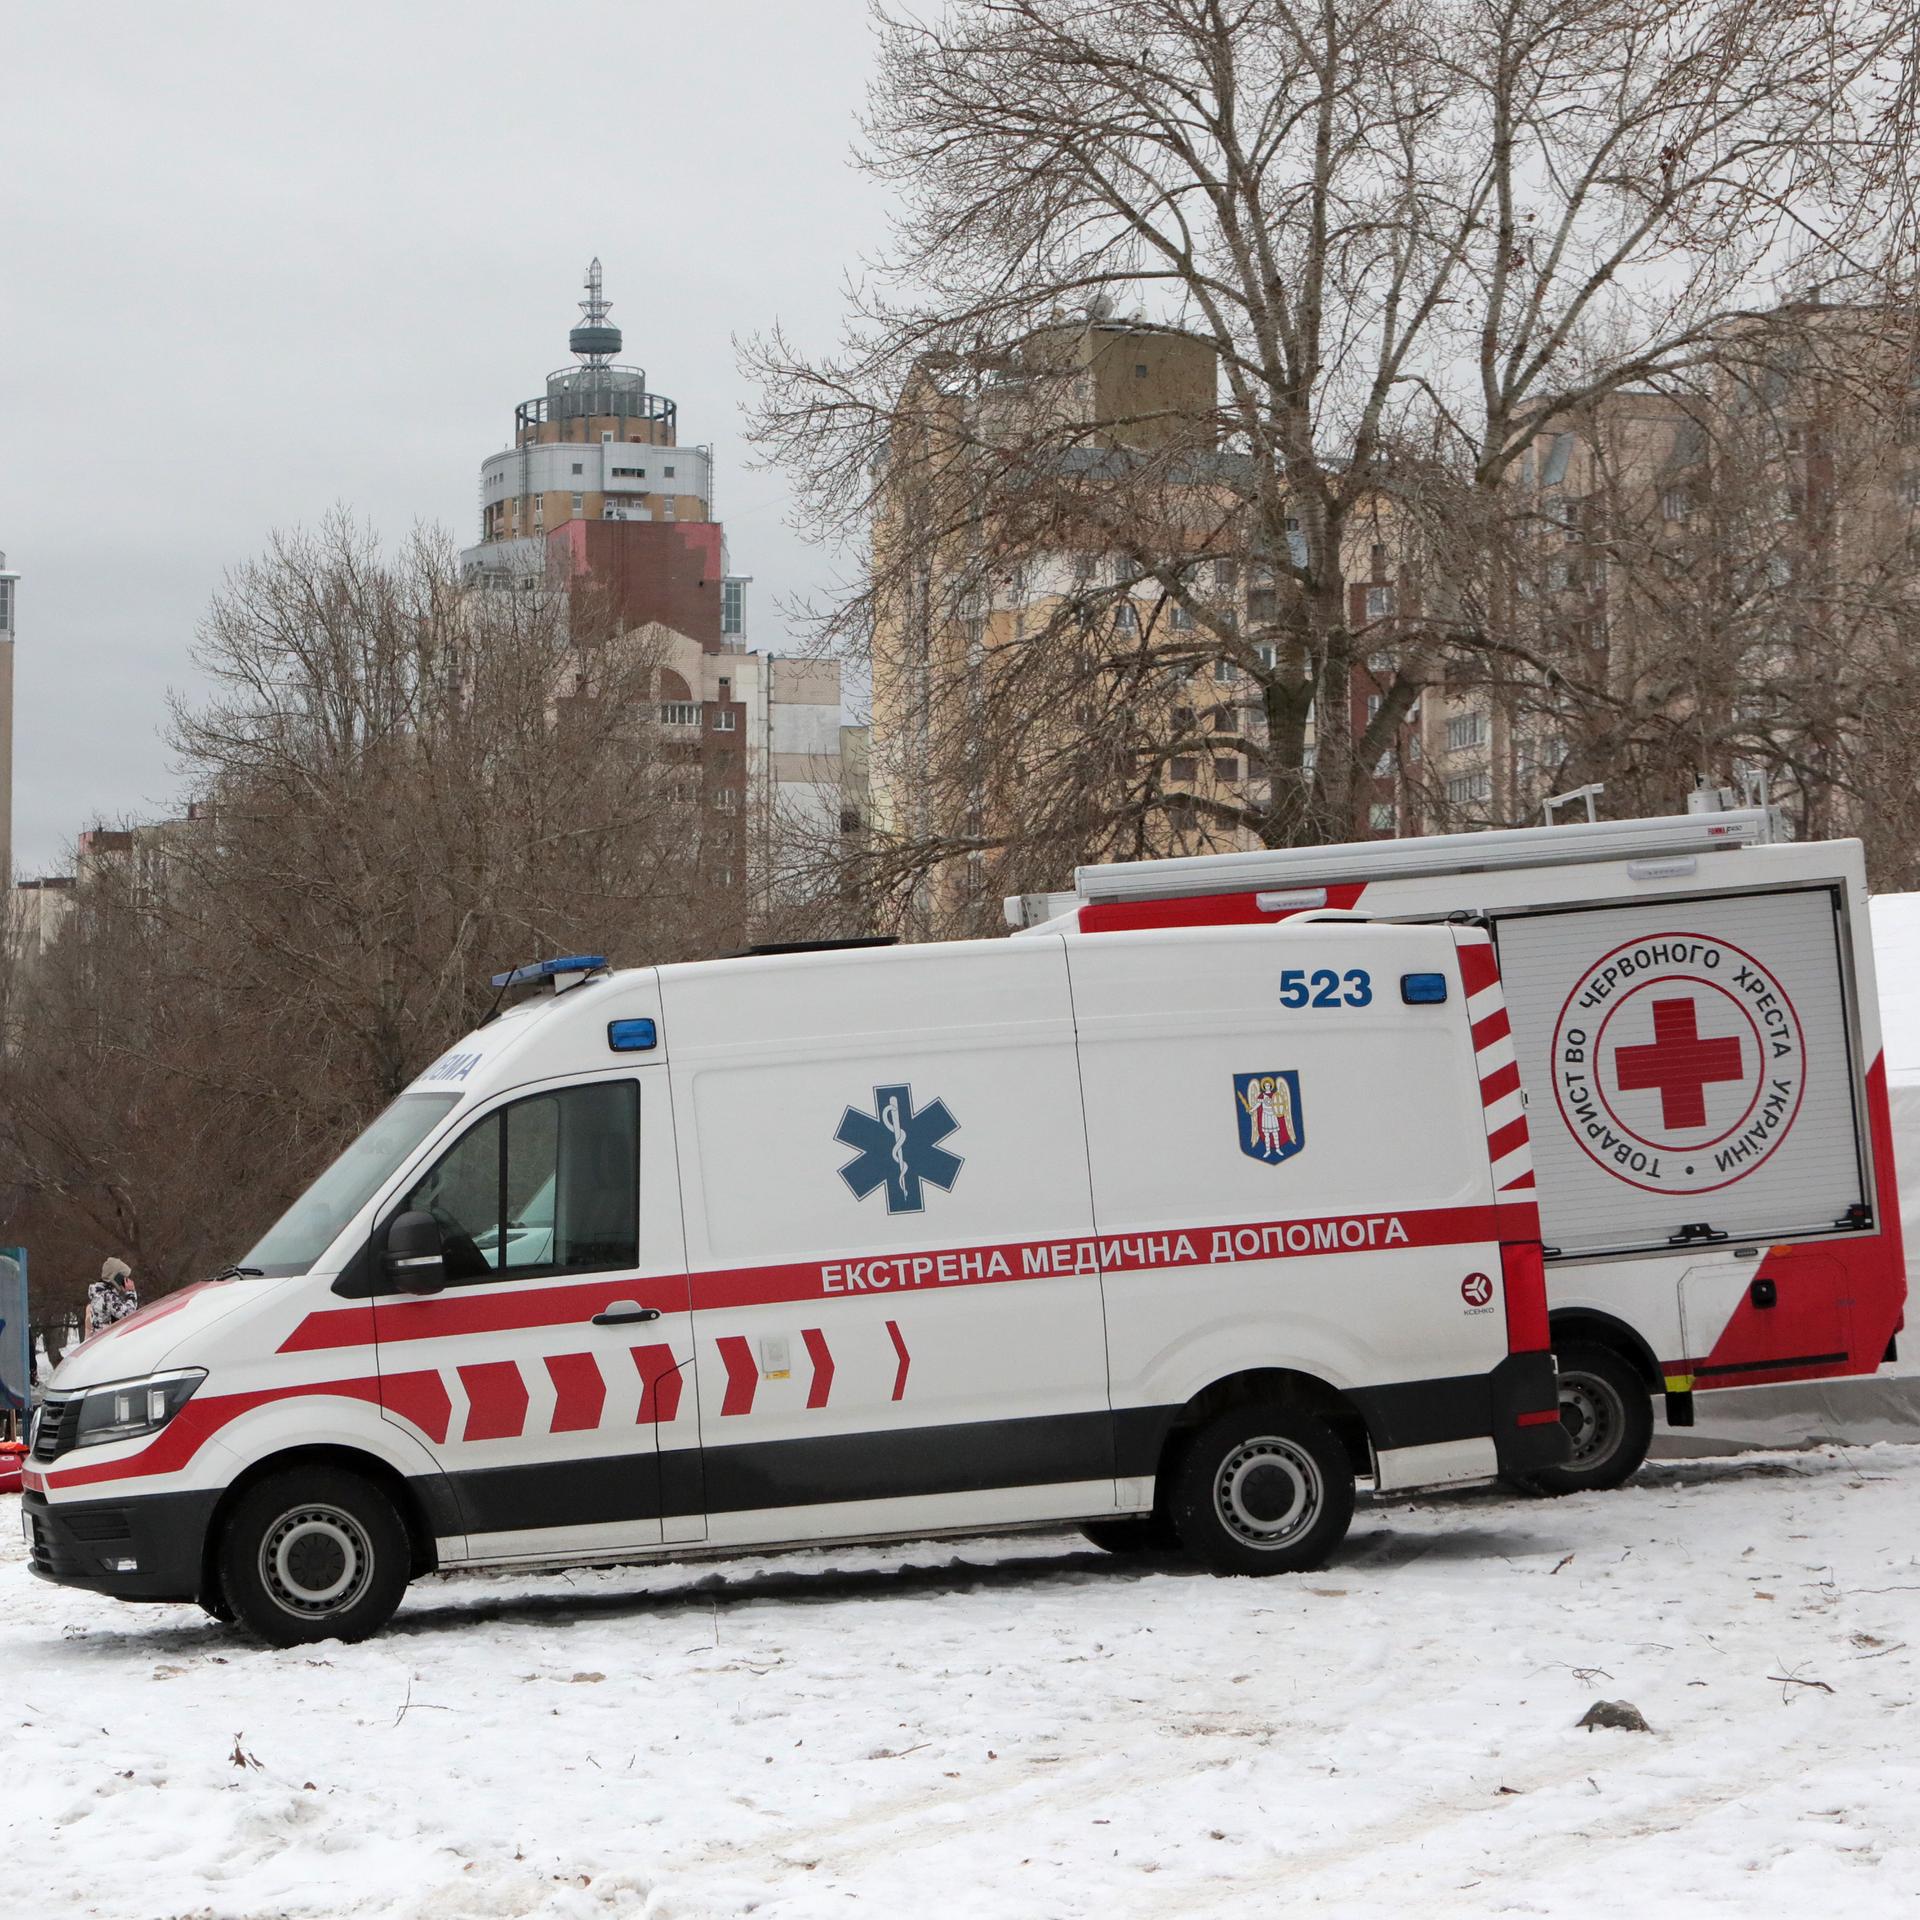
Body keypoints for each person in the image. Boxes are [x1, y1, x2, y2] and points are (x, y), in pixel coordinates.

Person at [83, 1257, 140, 1340]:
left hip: (101, 1341)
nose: (126, 1280)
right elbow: (129, 1314)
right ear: (116, 1277)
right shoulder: (107, 1296)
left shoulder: (99, 1294)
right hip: (106, 1341)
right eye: (123, 1278)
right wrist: (131, 1292)